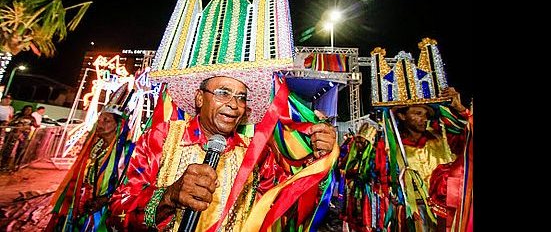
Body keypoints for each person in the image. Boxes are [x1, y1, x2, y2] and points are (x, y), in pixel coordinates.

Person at [108, 75, 337, 231]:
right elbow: (117, 214)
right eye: (223, 93)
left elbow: (286, 209)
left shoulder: (257, 155)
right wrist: (169, 197)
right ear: (199, 98)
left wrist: (319, 164)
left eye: (240, 97)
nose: (234, 105)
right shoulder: (161, 137)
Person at [47, 84, 134, 232]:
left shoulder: (128, 150)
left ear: (119, 125)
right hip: (83, 206)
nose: (100, 124)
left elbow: (133, 184)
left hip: (105, 212)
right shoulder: (94, 146)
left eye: (106, 121)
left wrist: (106, 199)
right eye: (99, 120)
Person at [391, 87, 471, 231]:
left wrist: (460, 109)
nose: (424, 118)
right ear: (402, 116)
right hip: (414, 219)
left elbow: (469, 137)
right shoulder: (391, 148)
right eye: (417, 113)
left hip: (447, 217)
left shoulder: (443, 138)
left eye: (426, 114)